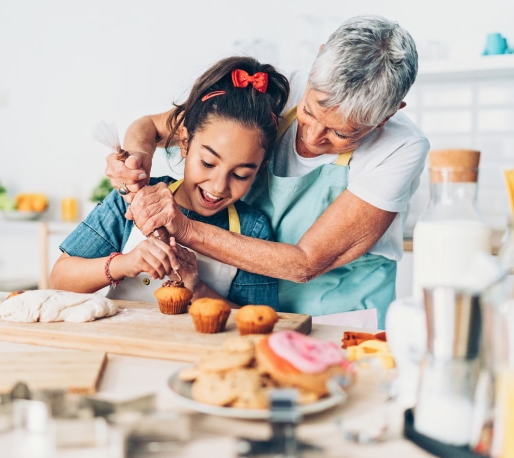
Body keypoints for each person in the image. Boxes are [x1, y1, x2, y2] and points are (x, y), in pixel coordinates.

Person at [104, 15, 430, 329]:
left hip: (341, 314)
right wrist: (136, 158)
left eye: (341, 134)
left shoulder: (400, 148)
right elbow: (150, 127)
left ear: (388, 115)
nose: (313, 137)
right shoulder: (272, 93)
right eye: (309, 111)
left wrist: (184, 228)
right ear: (316, 63)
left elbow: (306, 262)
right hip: (246, 305)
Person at [50, 56, 290, 309]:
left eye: (241, 175)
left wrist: (197, 288)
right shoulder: (135, 199)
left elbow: (259, 319)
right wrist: (125, 263)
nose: (219, 186)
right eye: (208, 163)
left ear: (260, 168)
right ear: (184, 143)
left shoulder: (253, 229)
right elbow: (59, 280)